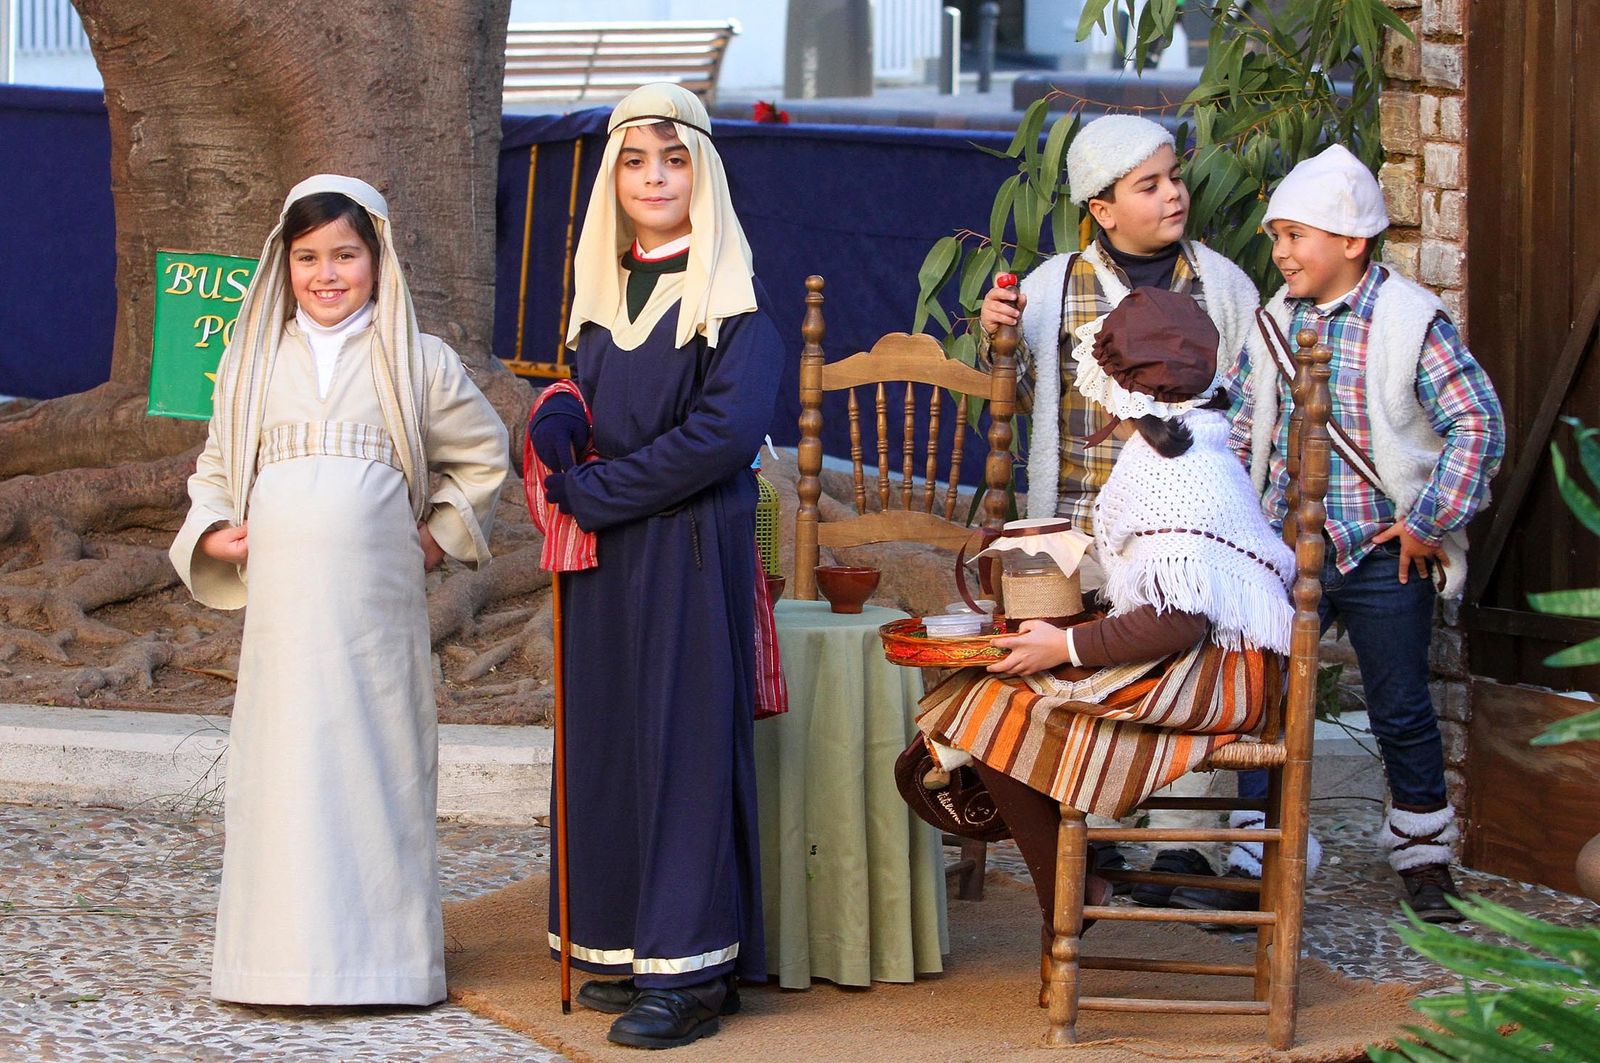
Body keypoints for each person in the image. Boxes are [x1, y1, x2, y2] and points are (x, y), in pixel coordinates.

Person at [169, 175, 510, 1004]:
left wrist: (436, 534)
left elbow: (484, 454)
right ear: (283, 264)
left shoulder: (417, 359)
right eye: (309, 256)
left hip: (374, 613)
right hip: (285, 614)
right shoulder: (251, 362)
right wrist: (213, 530)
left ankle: (385, 964)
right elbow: (217, 470)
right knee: (284, 768)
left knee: (373, 765)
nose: (328, 273)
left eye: (346, 255)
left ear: (377, 257)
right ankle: (274, 961)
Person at [1180, 144, 1505, 923]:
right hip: (1288, 553)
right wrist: (1174, 433)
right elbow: (1240, 413)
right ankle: (1261, 851)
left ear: (1351, 242)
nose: (1280, 251)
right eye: (1277, 236)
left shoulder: (1409, 321)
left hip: (1382, 556)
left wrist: (1427, 523)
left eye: (1295, 235)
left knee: (1398, 704)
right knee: (1266, 701)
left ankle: (1424, 858)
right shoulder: (1272, 323)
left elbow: (1478, 424)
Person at [918, 286, 1295, 949]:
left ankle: (1070, 893)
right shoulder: (1189, 448)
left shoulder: (1175, 472)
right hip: (1218, 660)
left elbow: (1178, 622)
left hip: (1214, 677)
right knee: (983, 690)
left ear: (1122, 388)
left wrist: (1062, 642)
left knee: (985, 706)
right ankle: (1075, 879)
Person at [526, 84, 782, 1050]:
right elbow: (578, 388)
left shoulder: (736, 294)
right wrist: (558, 418)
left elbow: (723, 436)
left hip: (684, 544)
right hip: (605, 561)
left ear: (702, 171)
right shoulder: (602, 283)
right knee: (612, 740)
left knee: (682, 747)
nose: (654, 178)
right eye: (635, 162)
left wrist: (593, 491)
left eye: (672, 160)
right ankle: (636, 945)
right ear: (614, 179)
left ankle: (696, 968)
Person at [975, 113, 1265, 898]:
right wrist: (994, 337)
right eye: (1150, 185)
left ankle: (1185, 849)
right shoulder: (1050, 286)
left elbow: (1258, 399)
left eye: (1175, 177)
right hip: (1070, 521)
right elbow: (1015, 400)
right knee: (1069, 680)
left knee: (1185, 660)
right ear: (1101, 207)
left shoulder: (1222, 283)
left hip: (1181, 521)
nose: (1173, 194)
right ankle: (1090, 843)